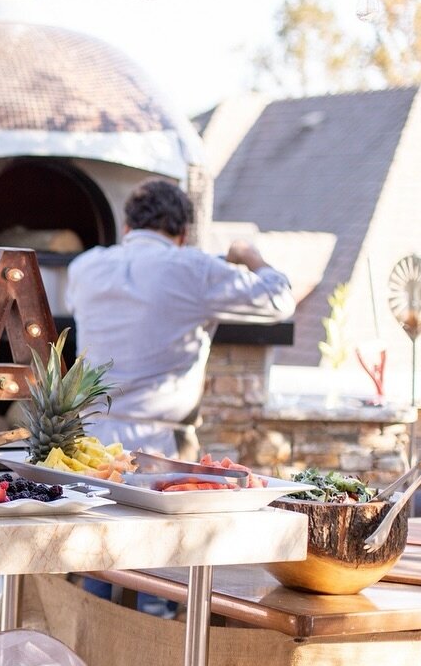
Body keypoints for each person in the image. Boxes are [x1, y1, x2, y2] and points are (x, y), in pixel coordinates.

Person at [65, 180, 295, 459]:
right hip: (159, 449)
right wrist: (250, 256)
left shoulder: (84, 267)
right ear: (184, 233)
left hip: (86, 442)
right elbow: (279, 299)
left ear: (127, 228)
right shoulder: (194, 268)